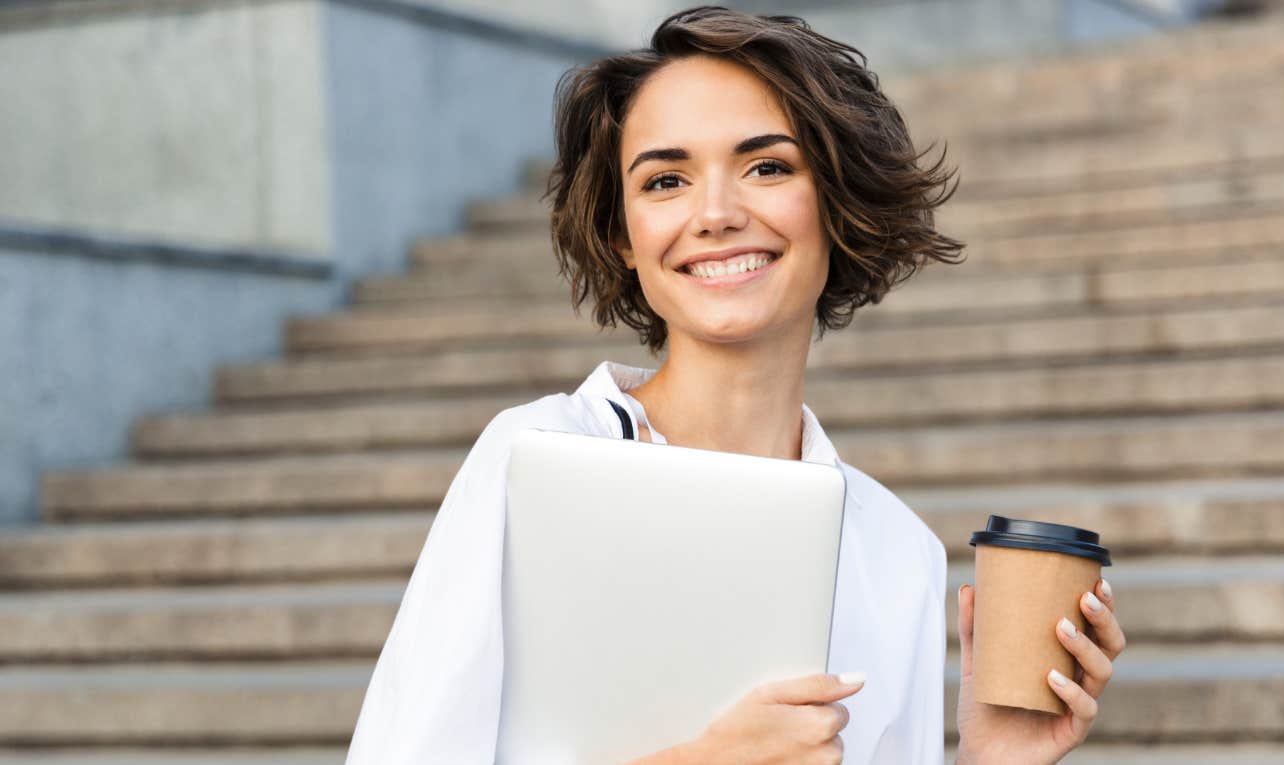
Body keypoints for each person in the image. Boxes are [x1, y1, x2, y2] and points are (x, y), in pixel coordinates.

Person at [344, 6, 1126, 764]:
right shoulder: (534, 458)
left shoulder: (897, 553)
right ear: (623, 234)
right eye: (664, 181)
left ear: (835, 200)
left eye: (766, 167)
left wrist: (993, 761)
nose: (715, 213)